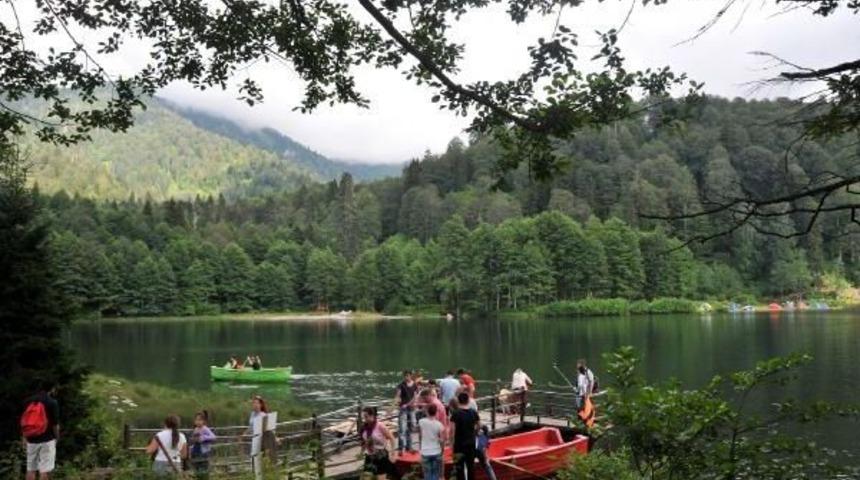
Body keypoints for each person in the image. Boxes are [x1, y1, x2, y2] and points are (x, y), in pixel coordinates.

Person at [21, 382, 60, 480]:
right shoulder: (52, 402)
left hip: (31, 439)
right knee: (45, 470)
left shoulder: (27, 401)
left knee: (31, 469)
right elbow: (55, 424)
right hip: (47, 440)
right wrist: (57, 437)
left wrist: (24, 438)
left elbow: (24, 422)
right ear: (51, 389)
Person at [360, 406, 397, 480]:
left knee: (381, 478)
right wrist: (361, 452)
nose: (365, 419)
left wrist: (392, 453)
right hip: (370, 455)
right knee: (365, 477)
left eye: (366, 417)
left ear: (372, 415)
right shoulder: (364, 427)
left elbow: (392, 438)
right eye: (363, 417)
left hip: (381, 455)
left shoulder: (380, 426)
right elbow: (363, 441)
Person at [449, 392, 480, 480]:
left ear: (458, 401)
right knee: (471, 466)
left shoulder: (455, 414)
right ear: (468, 401)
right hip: (471, 442)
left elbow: (452, 430)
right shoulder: (473, 412)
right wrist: (475, 432)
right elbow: (479, 425)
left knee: (459, 467)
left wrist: (451, 443)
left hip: (459, 444)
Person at [418, 404, 445, 480]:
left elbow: (420, 436)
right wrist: (442, 450)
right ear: (436, 412)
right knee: (436, 473)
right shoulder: (439, 425)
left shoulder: (421, 422)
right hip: (436, 451)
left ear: (427, 411)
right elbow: (442, 440)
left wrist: (420, 447)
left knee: (427, 474)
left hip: (425, 451)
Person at [394, 370, 417, 453]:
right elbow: (398, 395)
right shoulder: (401, 385)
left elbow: (415, 396)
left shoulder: (414, 384)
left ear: (411, 376)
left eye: (408, 376)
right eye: (405, 376)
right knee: (402, 428)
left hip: (411, 409)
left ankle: (409, 447)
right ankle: (401, 449)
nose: (406, 377)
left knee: (411, 427)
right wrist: (396, 400)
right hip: (403, 409)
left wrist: (410, 404)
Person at [189, 410, 216, 479]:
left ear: (203, 421)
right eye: (196, 420)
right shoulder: (195, 429)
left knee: (204, 470)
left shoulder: (205, 429)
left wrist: (203, 438)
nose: (198, 422)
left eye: (200, 420)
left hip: (203, 452)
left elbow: (213, 437)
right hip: (195, 452)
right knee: (196, 469)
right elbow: (194, 440)